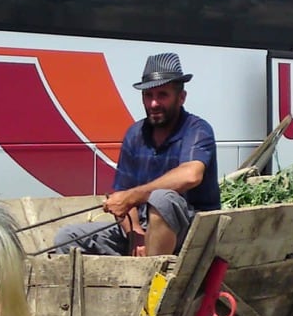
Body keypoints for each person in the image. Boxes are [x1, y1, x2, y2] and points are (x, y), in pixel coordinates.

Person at [53, 52, 220, 257]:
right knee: (67, 238)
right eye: (148, 96)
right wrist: (136, 234)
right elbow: (122, 194)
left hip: (189, 234)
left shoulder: (197, 129)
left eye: (162, 95)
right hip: (141, 229)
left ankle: (153, 283)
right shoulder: (135, 134)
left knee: (162, 199)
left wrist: (132, 197)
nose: (153, 104)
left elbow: (190, 175)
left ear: (181, 98)